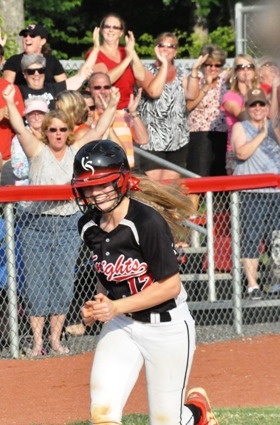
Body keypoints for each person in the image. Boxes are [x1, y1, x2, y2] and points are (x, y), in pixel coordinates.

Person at [71, 140, 218, 425]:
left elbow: (170, 286)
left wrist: (114, 307)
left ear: (122, 181)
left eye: (104, 184)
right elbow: (107, 276)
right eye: (89, 185)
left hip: (167, 327)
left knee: (166, 422)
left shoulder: (146, 221)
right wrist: (99, 302)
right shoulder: (88, 225)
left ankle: (197, 415)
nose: (95, 193)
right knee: (102, 415)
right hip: (122, 326)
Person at [2, 83, 120, 357]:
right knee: (36, 284)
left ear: (68, 132)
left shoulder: (75, 151)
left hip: (68, 223)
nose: (57, 134)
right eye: (52, 129)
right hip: (36, 224)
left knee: (62, 282)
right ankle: (37, 342)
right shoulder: (37, 150)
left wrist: (111, 105)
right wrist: (10, 103)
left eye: (62, 129)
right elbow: (20, 128)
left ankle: (55, 339)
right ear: (46, 131)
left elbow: (98, 130)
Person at [231, 88, 280, 300]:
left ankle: (277, 281)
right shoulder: (241, 127)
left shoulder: (274, 127)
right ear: (248, 108)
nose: (258, 108)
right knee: (251, 238)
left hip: (275, 192)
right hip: (251, 193)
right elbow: (241, 152)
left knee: (277, 240)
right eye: (254, 105)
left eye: (262, 104)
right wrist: (261, 134)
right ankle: (253, 285)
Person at [136, 33, 201, 180]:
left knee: (170, 188)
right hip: (151, 141)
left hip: (177, 140)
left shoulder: (183, 73)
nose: (166, 49)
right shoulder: (146, 70)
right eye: (162, 45)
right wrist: (164, 65)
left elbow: (192, 95)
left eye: (170, 46)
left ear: (176, 51)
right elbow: (153, 92)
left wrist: (195, 70)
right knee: (155, 188)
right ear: (155, 49)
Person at [185, 44, 229, 180]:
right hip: (200, 133)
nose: (213, 68)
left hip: (222, 133)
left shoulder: (225, 80)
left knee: (220, 178)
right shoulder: (195, 78)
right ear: (203, 65)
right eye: (209, 65)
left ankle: (220, 202)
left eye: (217, 65)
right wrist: (207, 86)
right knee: (199, 177)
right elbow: (189, 105)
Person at [87, 72, 148, 169]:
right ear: (88, 90)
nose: (103, 91)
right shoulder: (88, 117)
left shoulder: (123, 115)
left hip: (127, 170)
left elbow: (143, 140)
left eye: (106, 87)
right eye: (97, 88)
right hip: (101, 170)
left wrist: (133, 113)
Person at [88, 13, 145, 109]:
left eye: (115, 27)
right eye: (107, 27)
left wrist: (132, 51)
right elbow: (106, 80)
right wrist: (127, 59)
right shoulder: (94, 54)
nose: (111, 30)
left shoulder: (126, 52)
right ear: (101, 30)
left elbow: (141, 76)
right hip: (106, 109)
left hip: (128, 109)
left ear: (121, 32)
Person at [220, 53, 260, 175]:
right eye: (241, 67)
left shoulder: (261, 92)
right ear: (235, 72)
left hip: (259, 147)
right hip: (237, 149)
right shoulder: (229, 96)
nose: (246, 70)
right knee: (238, 190)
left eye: (249, 66)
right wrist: (249, 90)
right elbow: (243, 117)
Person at [17, 51, 95, 109]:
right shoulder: (19, 91)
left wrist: (96, 48)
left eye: (40, 70)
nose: (36, 74)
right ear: (24, 73)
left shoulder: (53, 89)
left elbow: (81, 76)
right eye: (31, 71)